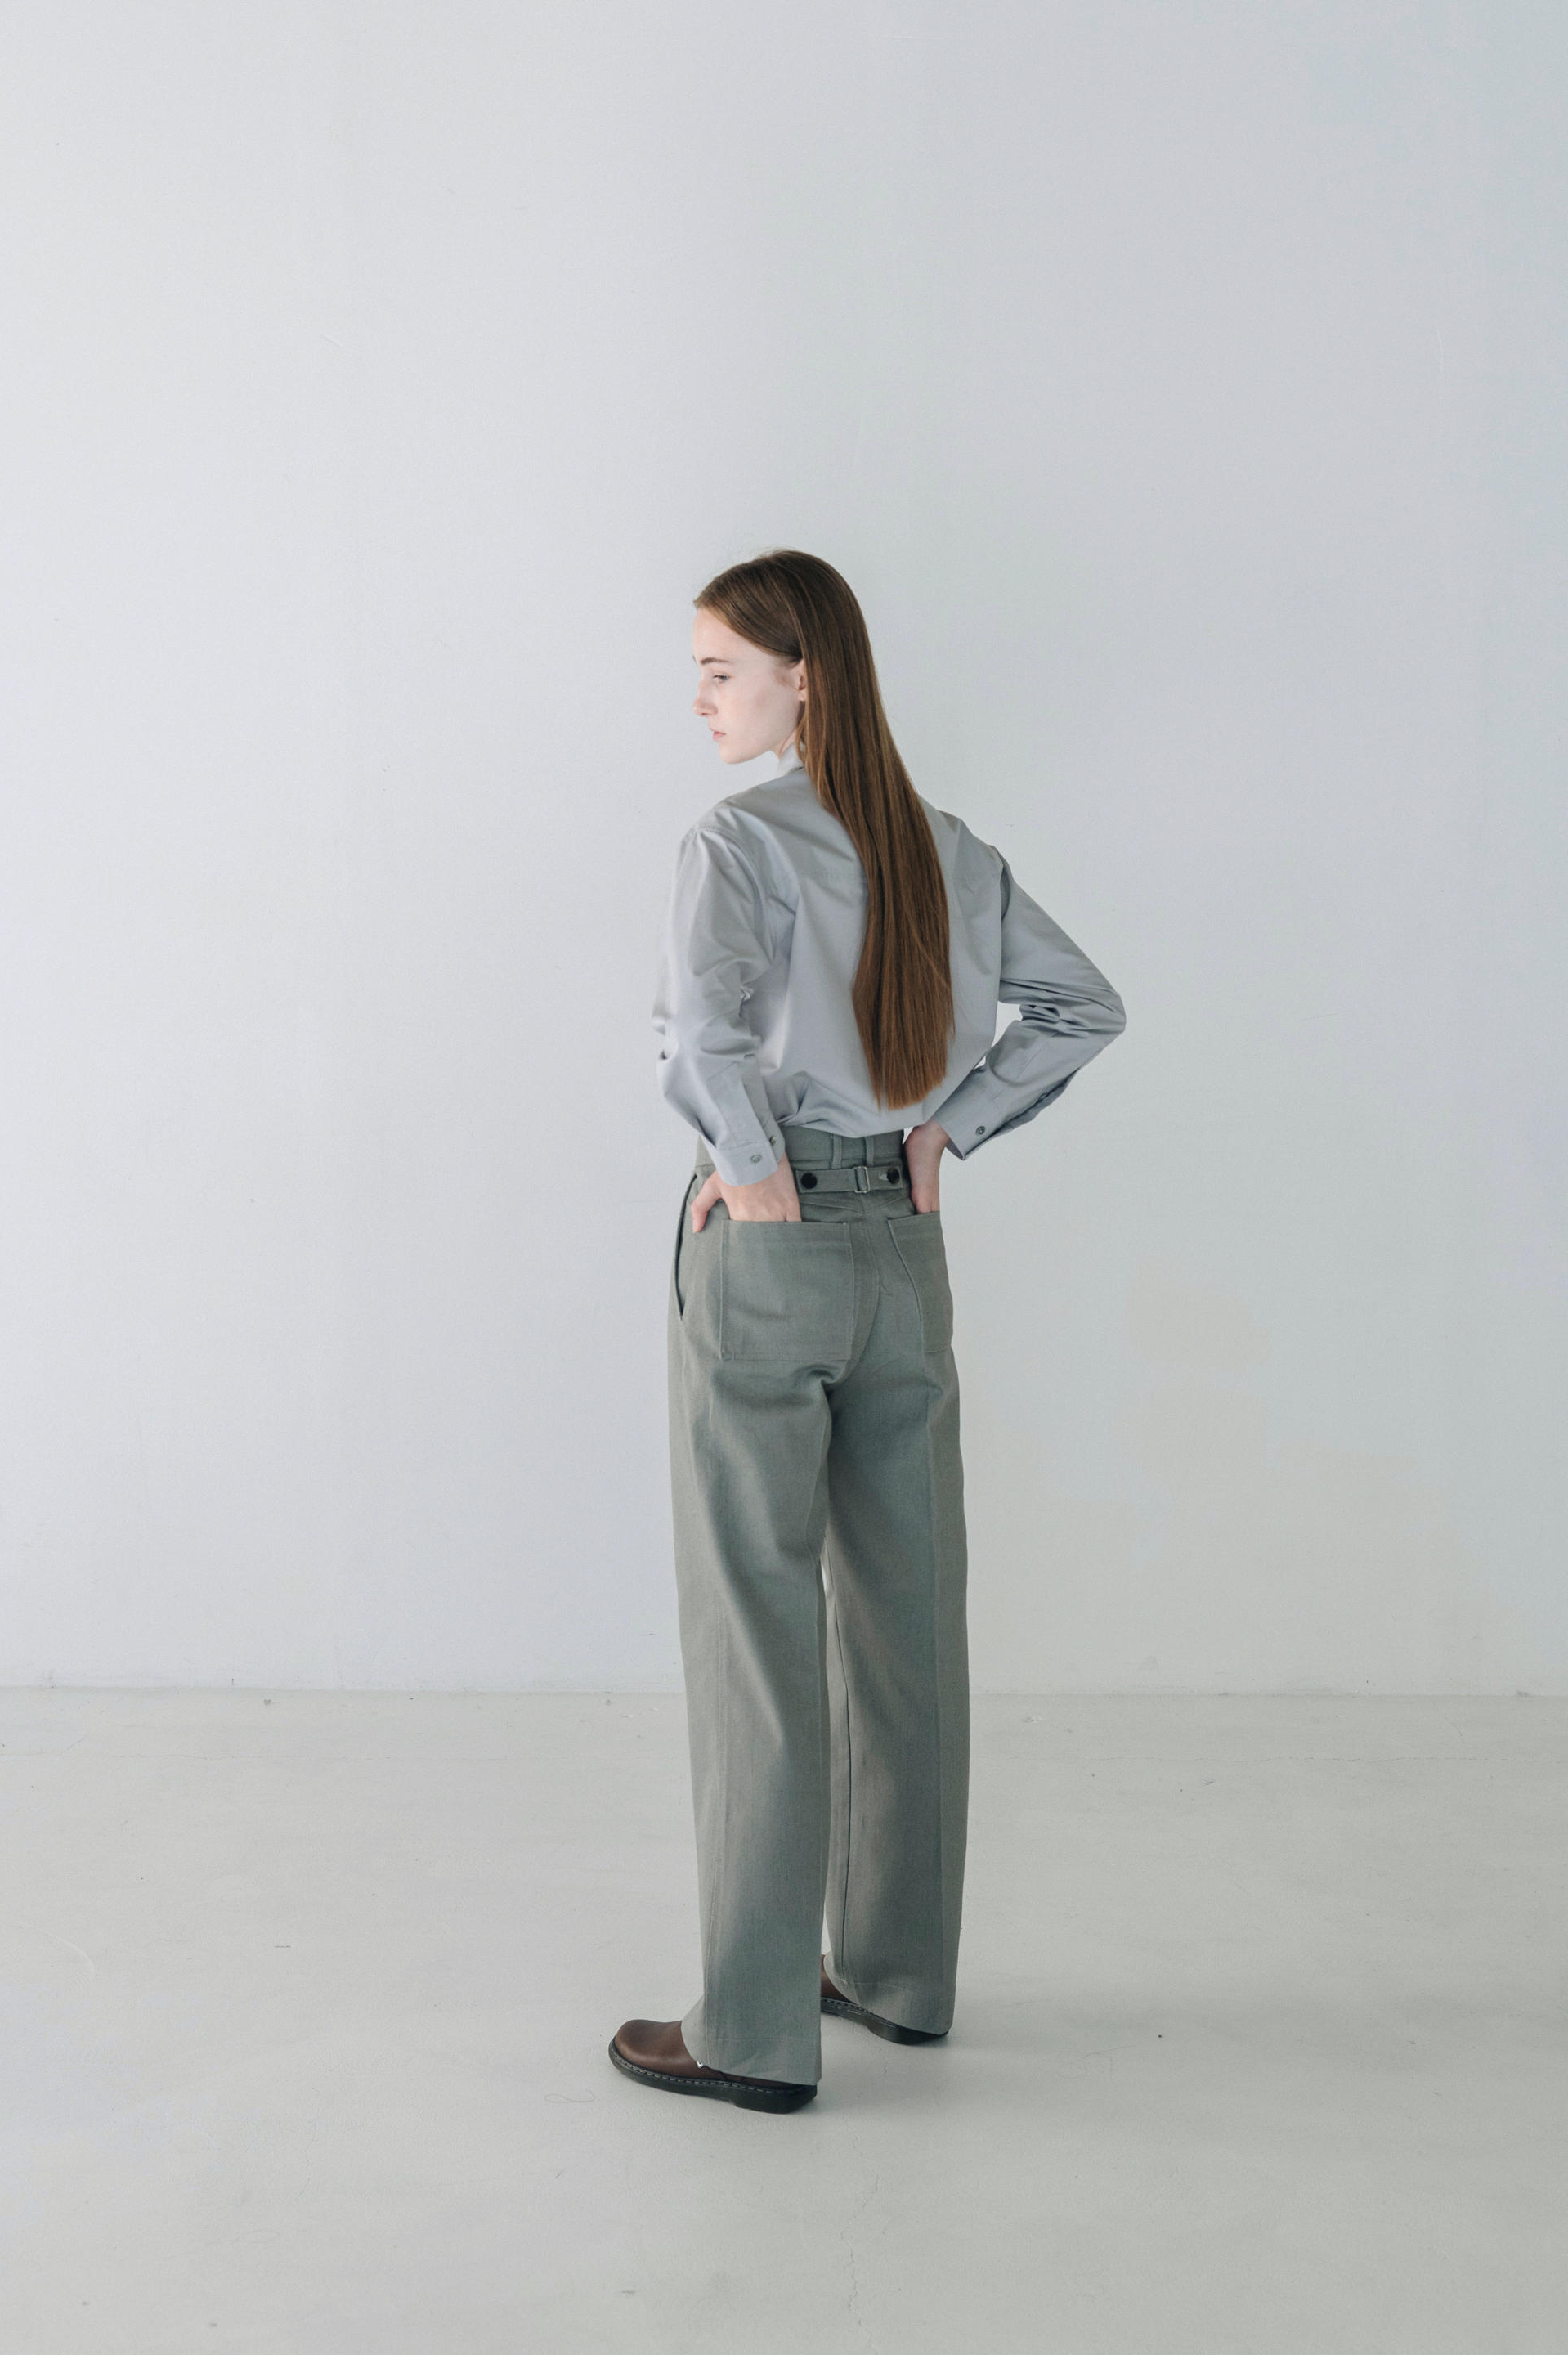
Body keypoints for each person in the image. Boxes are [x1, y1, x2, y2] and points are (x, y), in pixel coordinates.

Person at [610, 550, 1127, 2114]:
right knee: (909, 1617)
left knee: (758, 1634)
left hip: (772, 1254)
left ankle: (752, 2032)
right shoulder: (948, 847)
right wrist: (945, 1130)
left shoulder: (738, 841)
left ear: (803, 676)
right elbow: (1084, 1007)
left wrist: (754, 1173)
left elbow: (698, 1035)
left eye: (720, 670)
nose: (701, 699)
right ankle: (897, 1977)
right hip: (903, 1250)